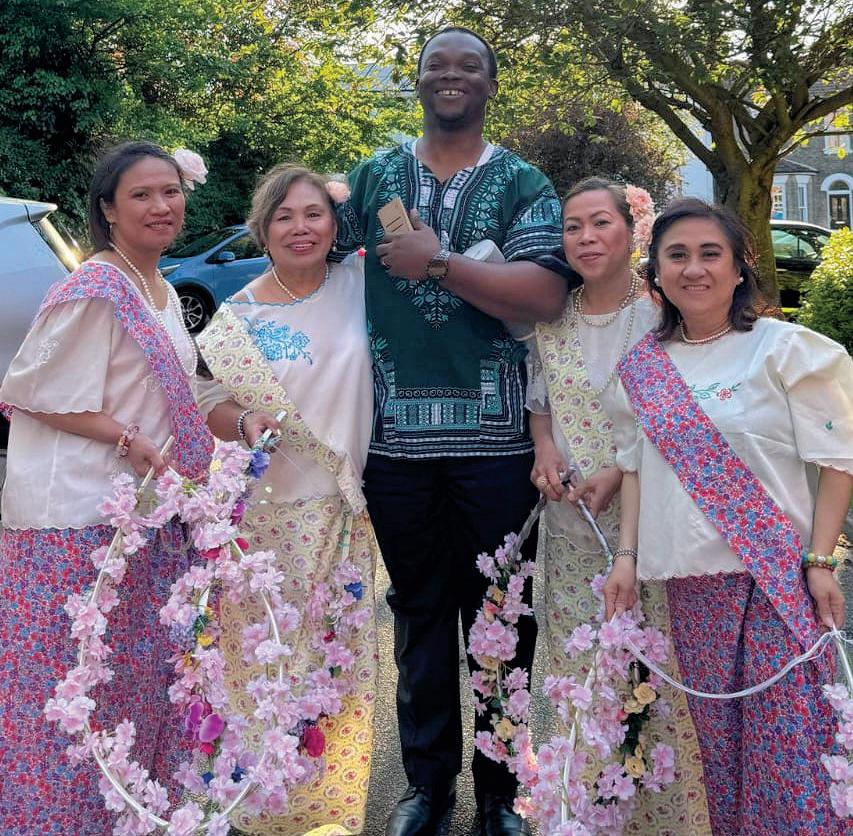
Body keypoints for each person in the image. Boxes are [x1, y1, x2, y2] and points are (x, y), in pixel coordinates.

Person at [333, 26, 569, 836]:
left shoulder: (522, 182)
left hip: (499, 447)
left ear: (491, 84)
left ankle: (502, 791)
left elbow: (544, 295)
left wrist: (437, 263)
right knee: (419, 616)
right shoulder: (374, 175)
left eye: (469, 65)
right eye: (437, 63)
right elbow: (309, 254)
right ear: (418, 79)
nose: (451, 75)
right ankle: (426, 786)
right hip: (394, 445)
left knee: (503, 617)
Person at [604, 198, 853, 835]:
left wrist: (822, 559)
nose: (694, 269)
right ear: (656, 273)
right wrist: (625, 558)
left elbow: (839, 459)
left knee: (790, 747)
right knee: (722, 750)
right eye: (677, 255)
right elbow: (634, 469)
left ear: (740, 267)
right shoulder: (641, 371)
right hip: (693, 587)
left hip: (775, 578)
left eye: (710, 253)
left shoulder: (784, 350)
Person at [0, 140, 214, 834]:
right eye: (141, 195)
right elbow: (29, 388)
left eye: (170, 192)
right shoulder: (95, 287)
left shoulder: (159, 289)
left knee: (128, 696)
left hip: (136, 519)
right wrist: (128, 440)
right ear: (109, 211)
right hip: (75, 524)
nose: (161, 206)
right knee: (73, 704)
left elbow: (178, 393)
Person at [196, 163, 379, 836]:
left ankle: (327, 813)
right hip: (265, 516)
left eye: (314, 213)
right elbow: (207, 398)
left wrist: (349, 193)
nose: (300, 228)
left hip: (341, 509)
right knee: (265, 659)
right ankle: (257, 810)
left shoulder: (362, 283)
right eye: (284, 216)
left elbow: (398, 218)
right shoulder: (239, 315)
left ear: (334, 223)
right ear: (262, 228)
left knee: (334, 664)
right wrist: (244, 420)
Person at [527, 178, 712, 834]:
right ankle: (584, 810)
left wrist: (616, 471)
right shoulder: (550, 316)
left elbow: (684, 423)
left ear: (632, 230)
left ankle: (657, 816)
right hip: (571, 527)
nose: (585, 238)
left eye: (599, 223)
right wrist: (544, 451)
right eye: (572, 227)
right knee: (580, 669)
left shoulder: (662, 317)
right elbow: (541, 404)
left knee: (651, 675)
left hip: (647, 529)